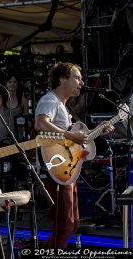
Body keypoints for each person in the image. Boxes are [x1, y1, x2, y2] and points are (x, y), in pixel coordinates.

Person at [34, 62, 114, 248]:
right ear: (62, 79)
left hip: (66, 168)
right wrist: (70, 135)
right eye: (77, 77)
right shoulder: (50, 100)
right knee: (66, 223)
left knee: (72, 223)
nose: (81, 82)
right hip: (55, 168)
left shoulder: (62, 106)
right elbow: (41, 124)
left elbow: (71, 143)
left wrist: (98, 131)